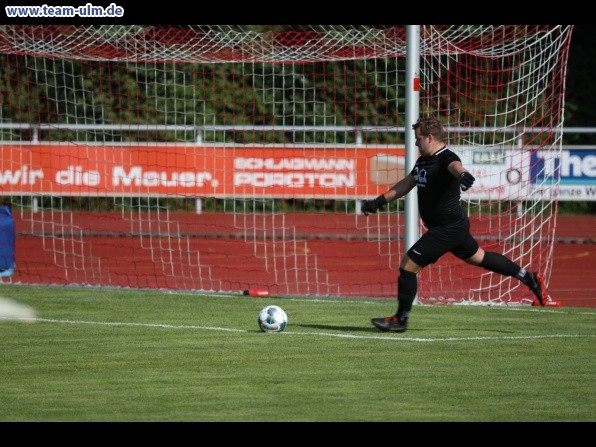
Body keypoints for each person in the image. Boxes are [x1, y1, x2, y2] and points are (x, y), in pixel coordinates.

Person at [362, 116, 547, 333]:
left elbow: (456, 167)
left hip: (447, 228)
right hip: (453, 226)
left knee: (408, 266)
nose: (415, 143)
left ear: (430, 138)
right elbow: (407, 183)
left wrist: (464, 175)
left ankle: (400, 320)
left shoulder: (446, 157)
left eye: (418, 138)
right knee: (480, 258)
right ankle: (528, 277)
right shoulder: (423, 160)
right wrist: (379, 200)